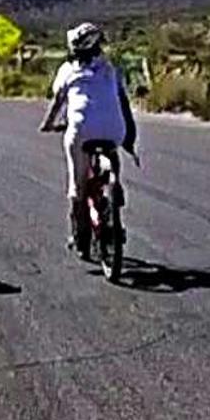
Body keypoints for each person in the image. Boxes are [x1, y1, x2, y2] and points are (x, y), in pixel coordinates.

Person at [38, 23, 137, 259]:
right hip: (115, 130)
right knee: (110, 152)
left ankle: (80, 237)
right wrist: (128, 136)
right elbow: (123, 102)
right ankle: (114, 185)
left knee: (78, 185)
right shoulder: (110, 69)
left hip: (81, 131)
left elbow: (57, 103)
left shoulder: (67, 70)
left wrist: (49, 124)